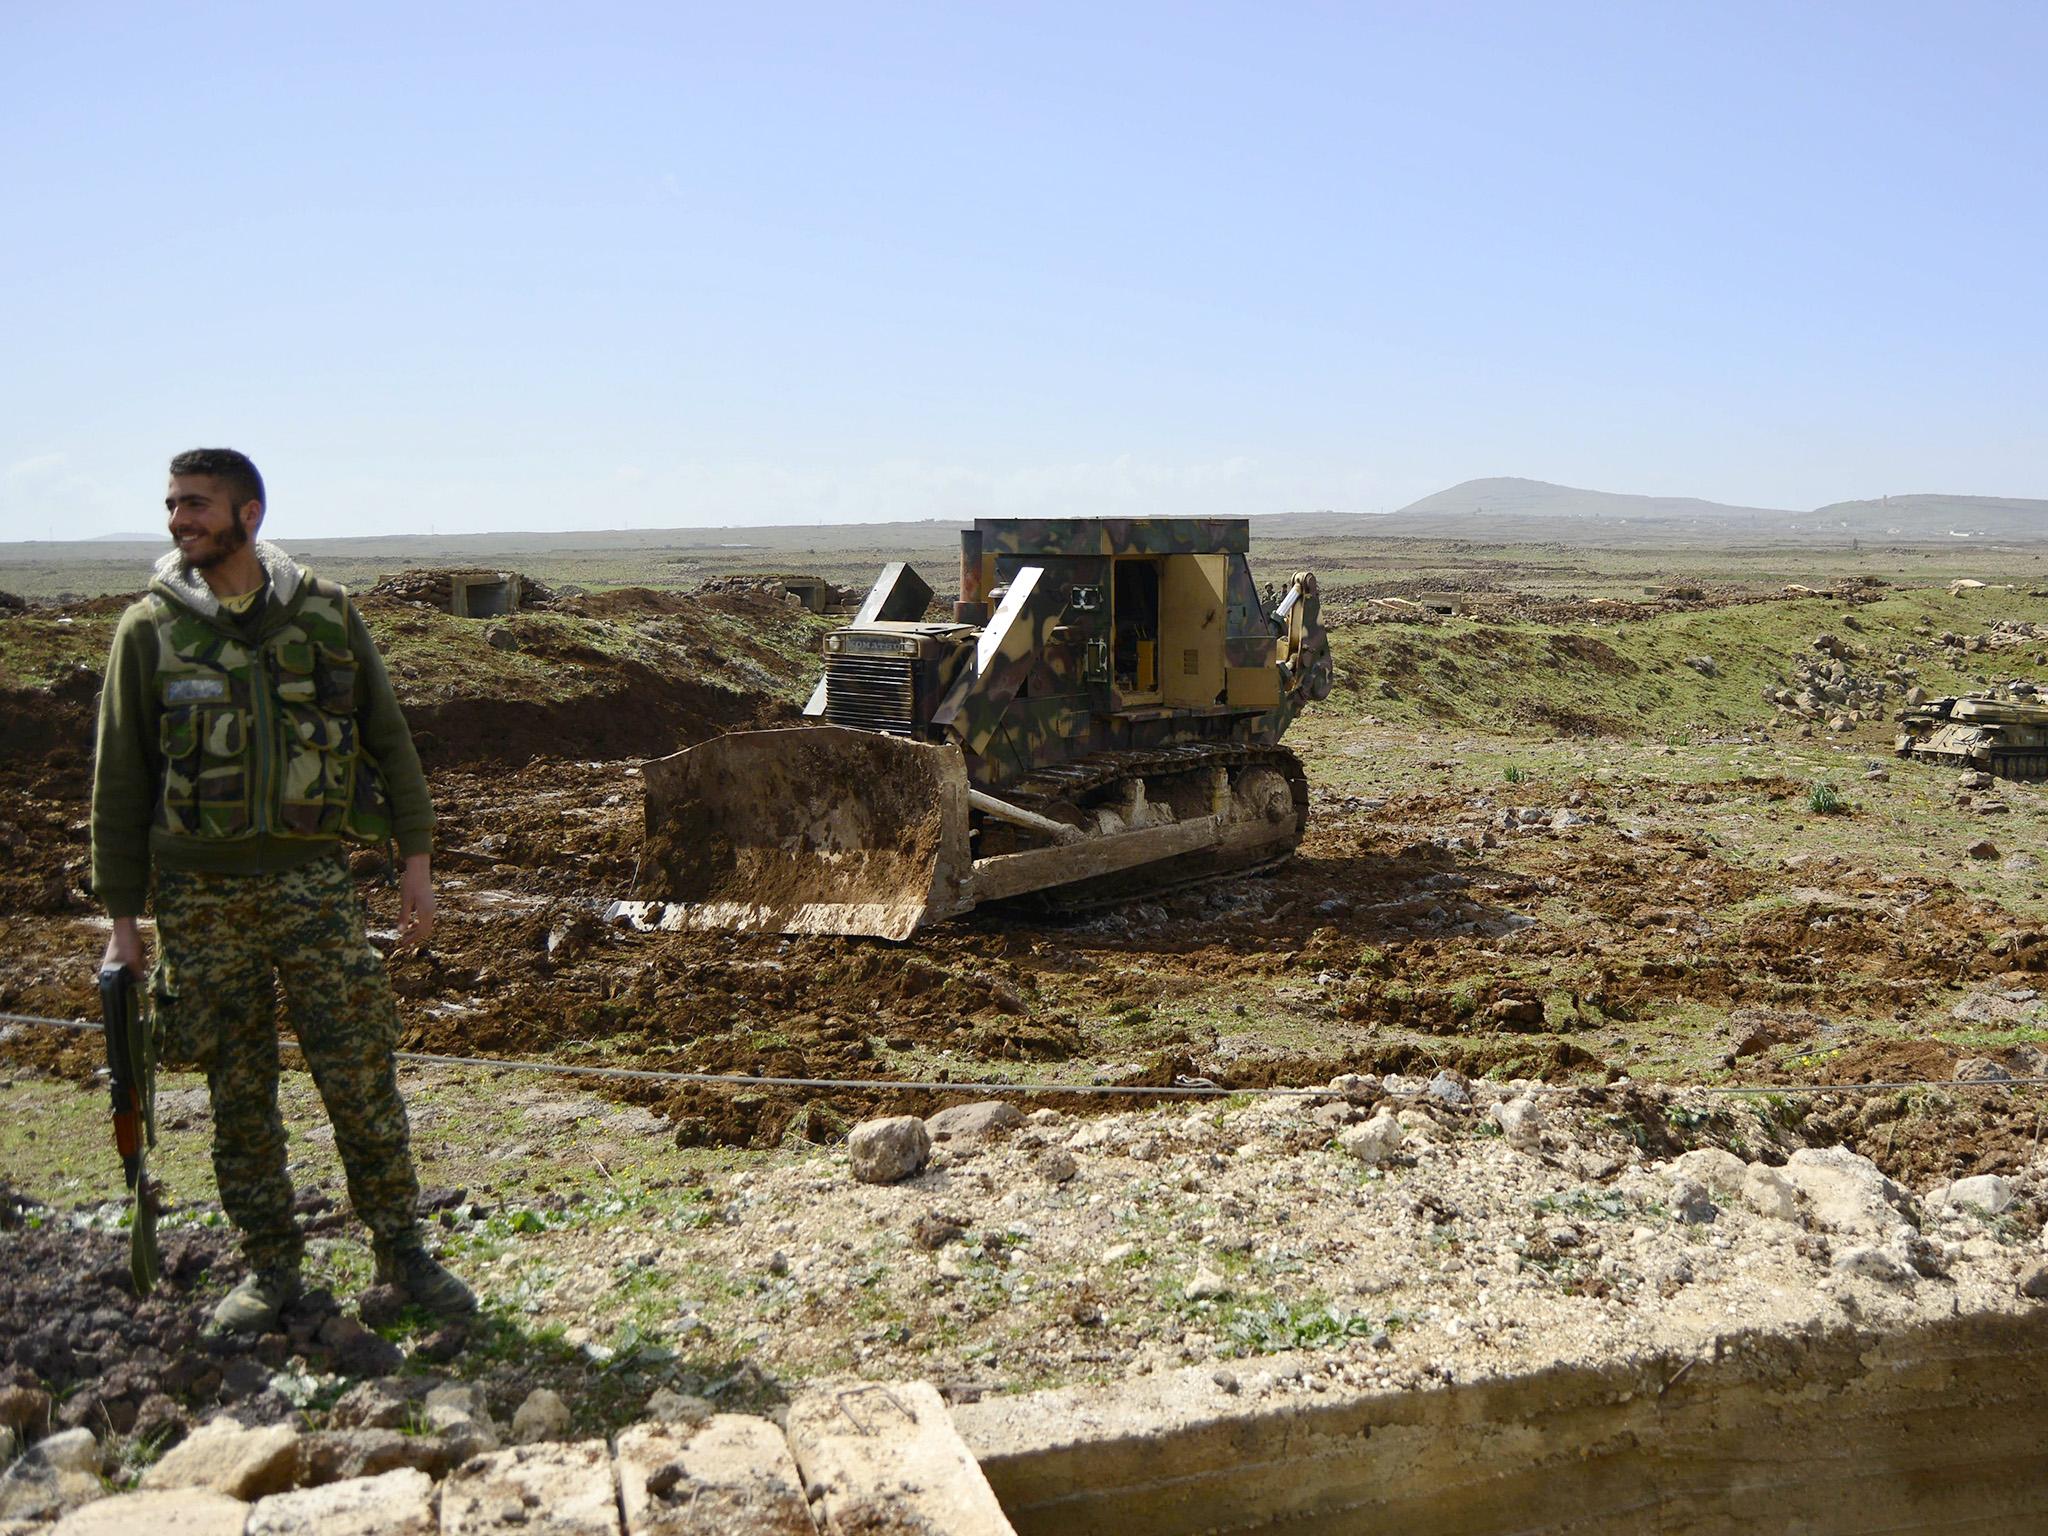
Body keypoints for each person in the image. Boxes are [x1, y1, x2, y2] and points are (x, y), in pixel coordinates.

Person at [91, 447, 474, 1334]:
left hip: (313, 883)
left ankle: (402, 1251)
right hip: (198, 900)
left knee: (360, 1071)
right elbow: (117, 785)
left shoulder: (327, 618)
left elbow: (390, 741)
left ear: (249, 514)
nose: (180, 521)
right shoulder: (147, 632)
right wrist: (122, 919)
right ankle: (270, 1268)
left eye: (197, 505)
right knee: (238, 1090)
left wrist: (416, 863)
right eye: (172, 505)